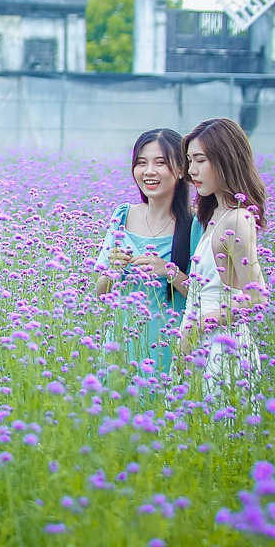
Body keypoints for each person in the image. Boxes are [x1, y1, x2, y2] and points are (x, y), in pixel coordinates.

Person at [92, 128, 203, 375]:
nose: (149, 171)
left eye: (160, 163)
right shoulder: (123, 216)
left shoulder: (196, 225)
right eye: (141, 163)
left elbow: (207, 298)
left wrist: (170, 272)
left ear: (182, 170)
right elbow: (101, 292)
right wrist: (113, 270)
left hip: (171, 345)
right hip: (121, 344)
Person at [178, 117, 270, 398]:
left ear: (226, 159)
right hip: (198, 344)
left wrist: (199, 326)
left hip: (222, 350)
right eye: (189, 161)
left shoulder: (237, 219)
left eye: (200, 160)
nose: (192, 170)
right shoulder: (213, 216)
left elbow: (257, 297)